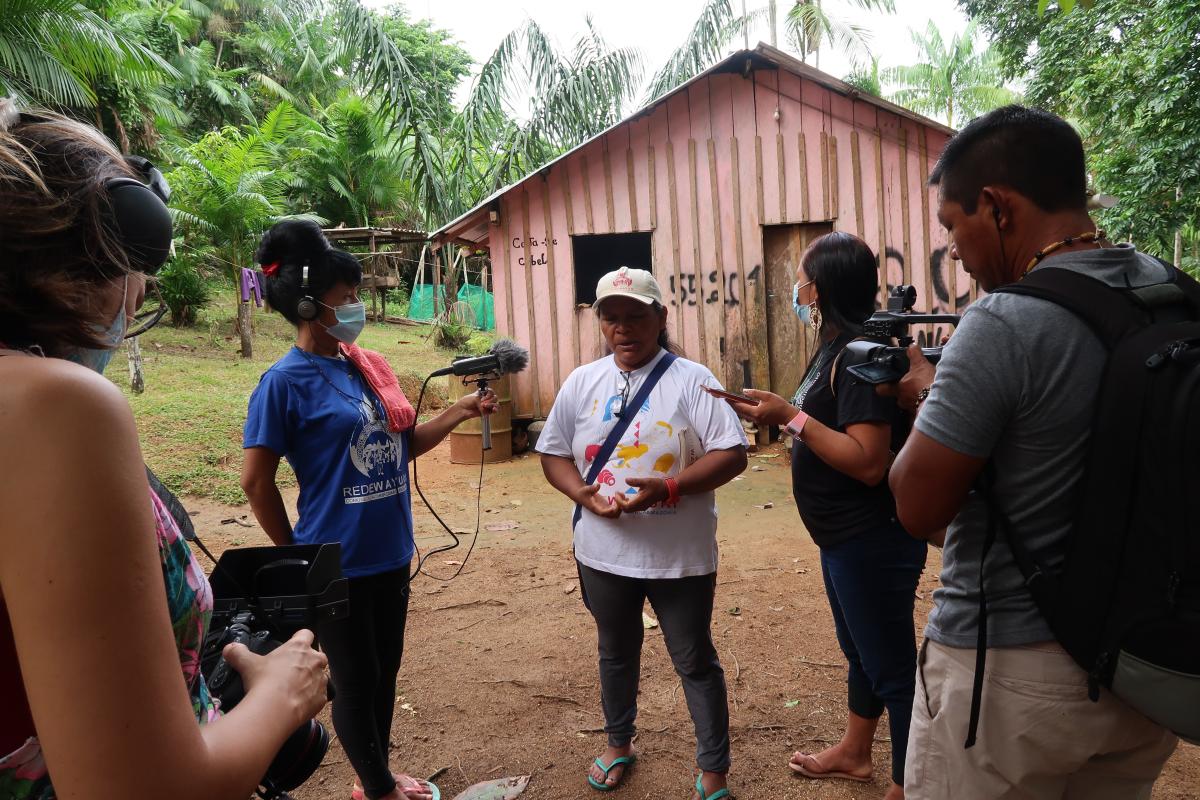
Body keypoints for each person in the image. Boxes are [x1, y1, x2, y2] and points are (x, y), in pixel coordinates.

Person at [0, 103, 329, 800]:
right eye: (137, 280)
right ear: (110, 243)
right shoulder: (51, 406)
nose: (140, 293)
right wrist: (280, 696)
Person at [888, 105, 1179, 799]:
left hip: (1009, 677)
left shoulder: (1004, 322)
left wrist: (927, 397)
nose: (954, 251)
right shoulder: (1174, 298)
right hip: (1146, 665)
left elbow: (917, 506)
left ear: (996, 207)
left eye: (953, 226)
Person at [240, 219, 496, 800]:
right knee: (355, 684)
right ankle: (380, 789)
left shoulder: (363, 367)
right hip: (337, 563)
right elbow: (256, 482)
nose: (357, 306)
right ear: (310, 304)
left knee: (384, 675)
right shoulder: (282, 384)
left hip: (390, 551)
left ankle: (371, 779)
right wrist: (298, 557)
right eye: (347, 297)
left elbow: (400, 445)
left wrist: (457, 412)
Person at [536, 267, 748, 800]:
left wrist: (670, 487)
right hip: (603, 552)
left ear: (661, 318)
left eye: (636, 317)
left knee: (694, 657)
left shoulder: (693, 379)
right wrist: (581, 494)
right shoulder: (582, 382)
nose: (623, 330)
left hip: (680, 557)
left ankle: (714, 768)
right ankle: (618, 743)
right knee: (615, 650)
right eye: (612, 319)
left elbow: (732, 453)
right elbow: (554, 453)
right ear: (600, 322)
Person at [726, 232, 924, 800]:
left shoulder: (860, 354)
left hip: (872, 539)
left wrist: (789, 416)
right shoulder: (835, 346)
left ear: (822, 289)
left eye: (804, 280)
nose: (798, 289)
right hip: (842, 539)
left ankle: (907, 785)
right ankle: (856, 753)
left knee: (892, 671)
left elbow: (868, 462)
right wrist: (778, 411)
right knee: (861, 650)